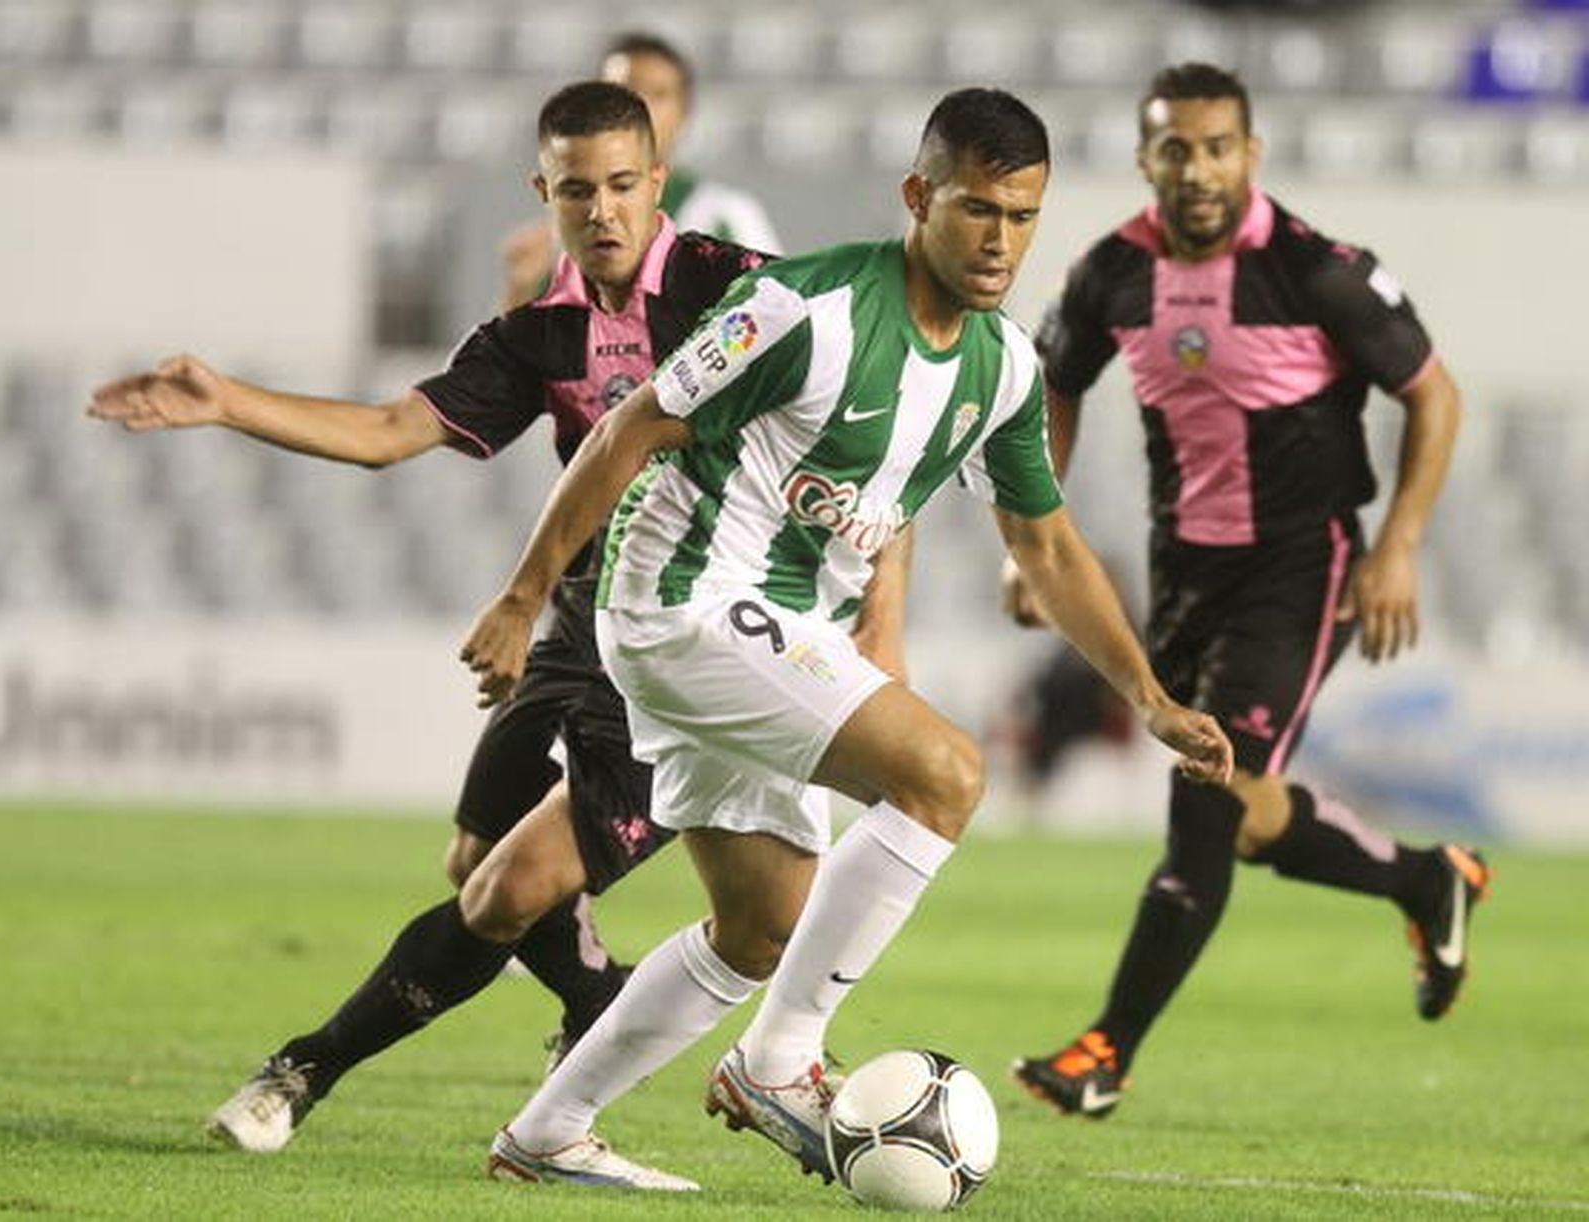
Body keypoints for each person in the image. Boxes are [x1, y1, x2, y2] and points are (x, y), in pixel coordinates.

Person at [85, 81, 884, 1155]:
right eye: (574, 191)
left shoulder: (734, 292)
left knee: (511, 884)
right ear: (541, 194)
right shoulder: (537, 334)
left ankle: (300, 1071)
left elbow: (858, 429)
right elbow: (383, 428)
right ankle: (594, 996)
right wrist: (229, 399)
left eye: (618, 187)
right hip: (575, 633)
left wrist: (880, 616)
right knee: (474, 861)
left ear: (656, 183)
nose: (599, 211)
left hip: (692, 643)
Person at [458, 86, 1233, 1192]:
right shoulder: (800, 307)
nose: (998, 239)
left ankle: (544, 1133)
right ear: (919, 196)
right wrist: (525, 593)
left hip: (768, 619)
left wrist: (1148, 695)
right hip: (679, 595)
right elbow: (634, 423)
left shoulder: (1003, 365)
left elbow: (1047, 546)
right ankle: (777, 1062)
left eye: (1021, 216)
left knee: (758, 929)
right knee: (945, 772)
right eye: (975, 209)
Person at [1008, 62, 1489, 1120]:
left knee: (1206, 799)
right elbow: (1052, 384)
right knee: (1244, 809)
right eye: (1174, 148)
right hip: (1182, 571)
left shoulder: (1319, 272)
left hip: (1296, 564)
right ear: (1145, 159)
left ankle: (1105, 1053)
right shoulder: (1108, 274)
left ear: (1250, 154)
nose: (1197, 168)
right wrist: (1028, 540)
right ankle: (1424, 878)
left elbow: (1434, 394)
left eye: (1217, 146)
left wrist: (1396, 546)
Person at [503, 30, 781, 311]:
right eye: (625, 91)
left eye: (659, 94)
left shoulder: (727, 217)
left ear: (684, 112)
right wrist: (520, 289)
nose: (641, 106)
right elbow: (514, 349)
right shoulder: (561, 235)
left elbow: (780, 324)